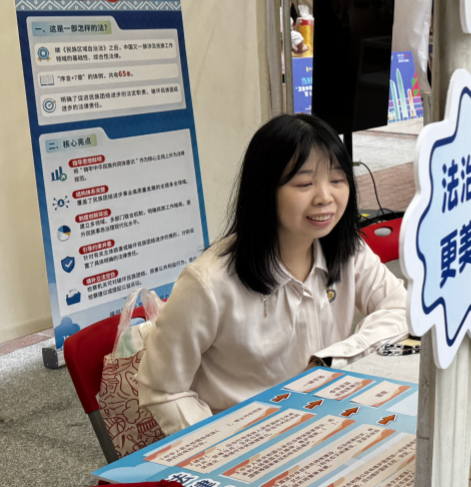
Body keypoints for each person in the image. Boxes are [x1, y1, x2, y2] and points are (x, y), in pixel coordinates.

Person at [138, 114, 409, 434]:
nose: (325, 197)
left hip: (328, 421)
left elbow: (401, 309)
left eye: (337, 180)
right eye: (305, 184)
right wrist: (213, 446)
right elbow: (163, 389)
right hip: (248, 440)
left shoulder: (347, 250)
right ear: (265, 190)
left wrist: (334, 358)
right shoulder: (209, 283)